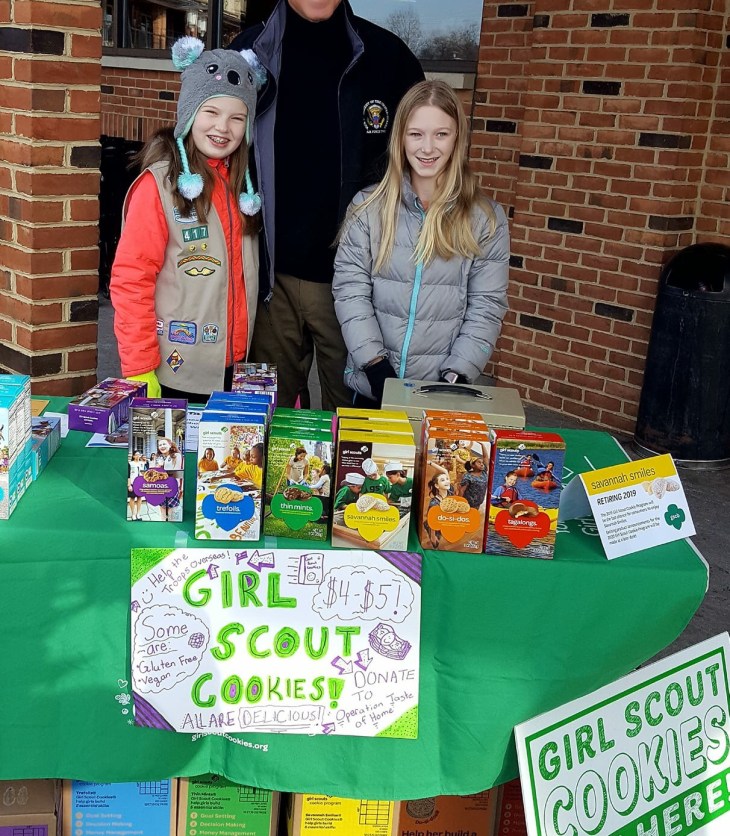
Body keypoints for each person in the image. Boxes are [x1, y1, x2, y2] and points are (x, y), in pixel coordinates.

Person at [229, 0, 424, 410]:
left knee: (354, 425)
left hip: (355, 285)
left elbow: (422, 168)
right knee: (269, 421)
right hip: (270, 283)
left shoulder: (389, 58)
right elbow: (211, 141)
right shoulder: (248, 52)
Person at [333, 79, 510, 407]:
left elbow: (487, 306)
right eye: (416, 134)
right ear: (400, 137)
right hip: (373, 387)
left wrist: (457, 375)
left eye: (441, 134)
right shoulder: (368, 207)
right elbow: (350, 291)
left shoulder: (486, 218)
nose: (427, 148)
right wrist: (375, 366)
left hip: (443, 393)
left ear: (457, 137)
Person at [110, 38, 266, 402]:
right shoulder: (159, 186)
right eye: (211, 112)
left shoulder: (243, 188)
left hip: (232, 365)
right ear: (189, 112)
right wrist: (138, 366)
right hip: (174, 370)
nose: (222, 128)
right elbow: (131, 279)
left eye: (237, 117)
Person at [423, 461, 454, 549]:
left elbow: (445, 471)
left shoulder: (450, 491)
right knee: (435, 543)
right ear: (437, 485)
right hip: (434, 525)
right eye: (442, 480)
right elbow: (432, 521)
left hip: (443, 521)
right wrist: (432, 536)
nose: (447, 481)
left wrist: (430, 463)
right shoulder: (434, 503)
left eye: (447, 479)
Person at [127, 450, 146, 520]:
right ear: (133, 456)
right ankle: (133, 514)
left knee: (139, 498)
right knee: (132, 498)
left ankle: (138, 513)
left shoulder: (142, 463)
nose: (138, 456)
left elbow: (144, 473)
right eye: (136, 454)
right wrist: (129, 485)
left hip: (140, 483)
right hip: (132, 482)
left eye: (139, 454)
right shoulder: (130, 463)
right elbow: (128, 475)